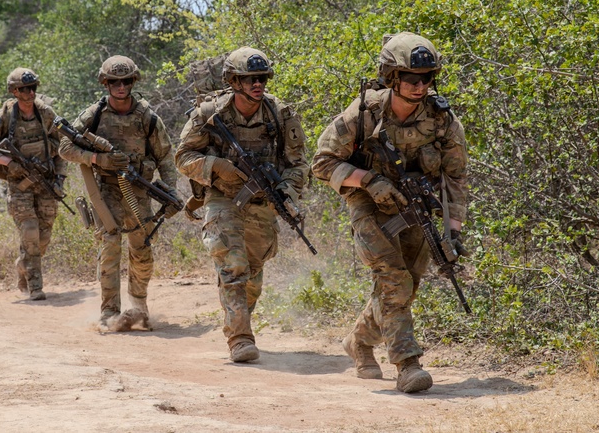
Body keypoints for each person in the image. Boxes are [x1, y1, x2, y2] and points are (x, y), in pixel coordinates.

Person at [311, 32, 469, 393]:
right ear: (391, 77)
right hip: (367, 203)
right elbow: (321, 163)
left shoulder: (442, 119)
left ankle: (359, 340)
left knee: (406, 286)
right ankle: (407, 364)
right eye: (412, 78)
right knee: (394, 280)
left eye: (427, 78)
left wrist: (453, 231)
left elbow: (455, 176)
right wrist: (367, 180)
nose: (420, 85)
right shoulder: (364, 113)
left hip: (416, 205)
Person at [175, 47, 308, 363]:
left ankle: (237, 319)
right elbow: (183, 158)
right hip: (222, 199)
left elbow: (298, 163)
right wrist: (217, 166)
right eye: (250, 79)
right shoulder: (210, 114)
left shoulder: (280, 114)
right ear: (234, 80)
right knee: (232, 265)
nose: (257, 84)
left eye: (261, 78)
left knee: (252, 275)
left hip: (262, 201)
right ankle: (240, 338)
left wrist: (287, 192)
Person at [58, 55, 177, 328]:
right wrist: (98, 160)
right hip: (107, 192)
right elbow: (65, 148)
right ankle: (109, 312)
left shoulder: (147, 117)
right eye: (114, 82)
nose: (120, 87)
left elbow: (165, 157)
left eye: (125, 81)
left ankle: (139, 307)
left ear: (133, 82)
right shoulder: (94, 115)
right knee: (110, 248)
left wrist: (171, 190)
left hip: (139, 191)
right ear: (105, 83)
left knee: (142, 250)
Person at [0, 68, 66, 301]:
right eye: (24, 89)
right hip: (19, 184)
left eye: (33, 88)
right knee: (29, 231)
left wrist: (60, 179)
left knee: (43, 238)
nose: (30, 93)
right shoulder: (4, 117)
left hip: (46, 181)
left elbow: (62, 149)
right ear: (14, 91)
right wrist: (9, 164)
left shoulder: (46, 114)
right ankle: (35, 286)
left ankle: (23, 266)